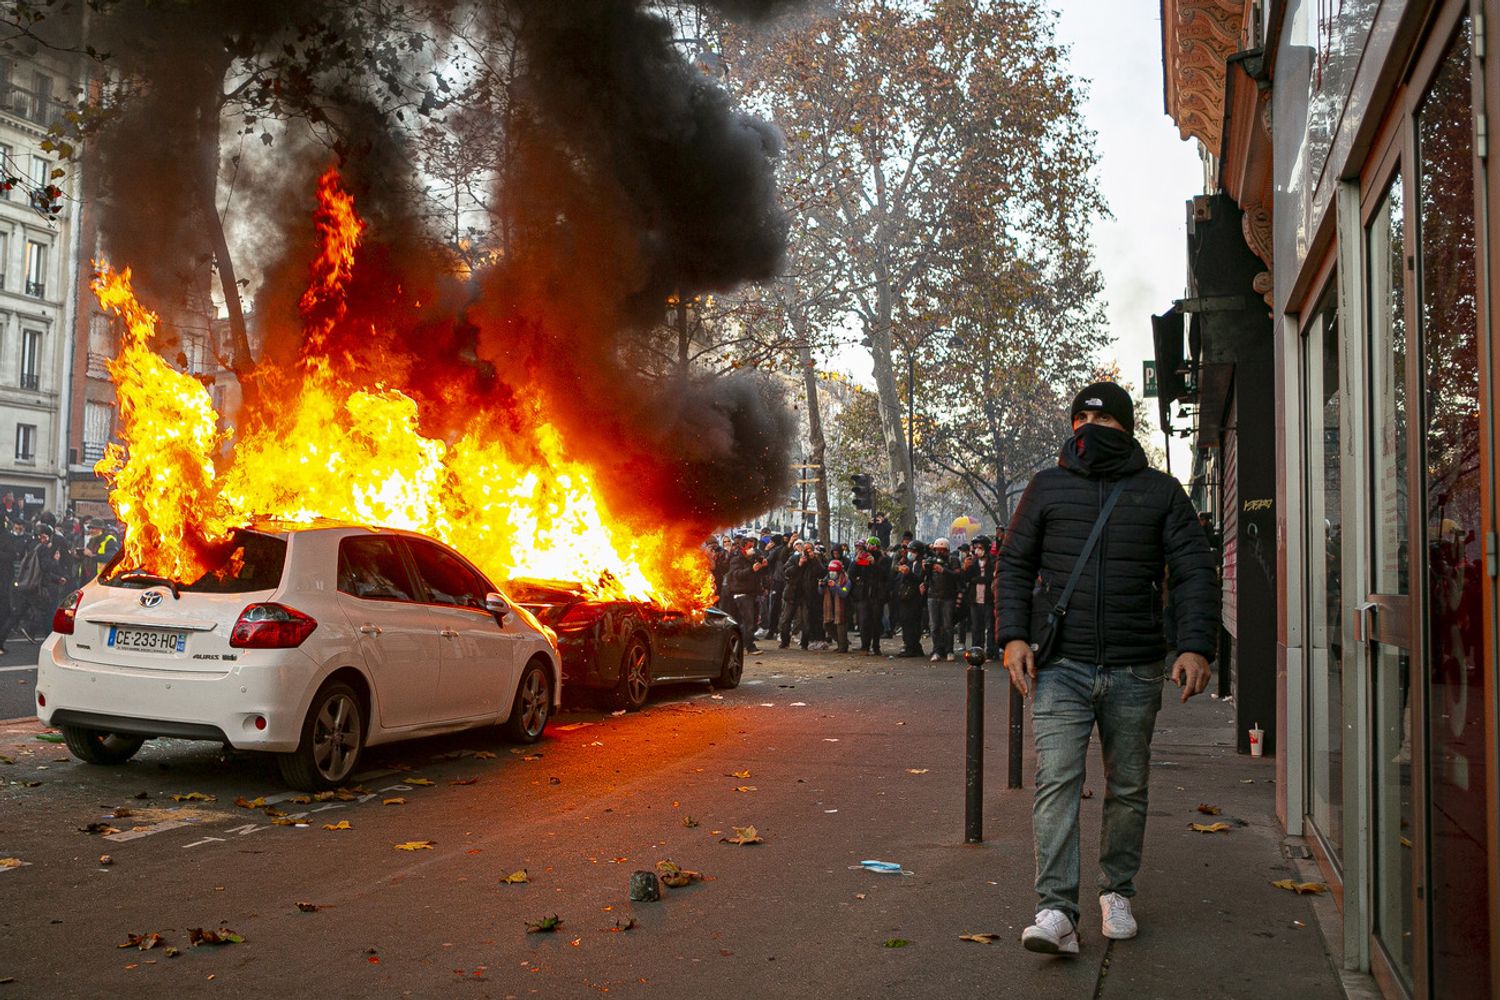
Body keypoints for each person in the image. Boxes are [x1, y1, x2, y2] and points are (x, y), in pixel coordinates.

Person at [996, 380, 1219, 956]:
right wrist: (1013, 635)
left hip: (1136, 666)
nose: (1090, 434)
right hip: (1061, 665)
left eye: (1104, 424)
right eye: (1080, 424)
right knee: (1057, 782)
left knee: (1127, 785)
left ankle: (1116, 890)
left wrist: (1195, 646)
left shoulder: (1162, 492)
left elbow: (1194, 571)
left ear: (1126, 428)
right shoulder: (1045, 489)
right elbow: (1015, 565)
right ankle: (1056, 911)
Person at [721, 536, 768, 654]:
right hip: (742, 594)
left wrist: (762, 567)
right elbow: (737, 575)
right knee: (748, 621)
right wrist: (751, 570)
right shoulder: (736, 560)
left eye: (753, 547)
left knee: (752, 620)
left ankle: (743, 642)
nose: (752, 549)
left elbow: (759, 575)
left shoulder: (753, 558)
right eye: (750, 547)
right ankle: (749, 646)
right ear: (743, 547)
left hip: (753, 593)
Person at [920, 537, 958, 662]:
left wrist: (944, 570)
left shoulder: (953, 560)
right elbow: (925, 577)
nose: (939, 552)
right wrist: (925, 570)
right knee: (934, 625)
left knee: (947, 625)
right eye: (937, 550)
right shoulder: (931, 560)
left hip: (948, 597)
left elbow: (958, 576)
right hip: (932, 596)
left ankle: (949, 650)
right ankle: (936, 650)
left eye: (942, 550)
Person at [963, 535, 996, 658]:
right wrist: (966, 568)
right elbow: (966, 578)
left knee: (990, 627)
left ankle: (991, 651)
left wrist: (978, 579)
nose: (977, 550)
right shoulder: (973, 562)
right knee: (976, 627)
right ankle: (976, 651)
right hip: (975, 599)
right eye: (975, 547)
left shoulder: (993, 561)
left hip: (988, 599)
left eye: (980, 547)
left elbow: (992, 578)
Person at [892, 540, 925, 657]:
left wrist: (908, 573)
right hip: (904, 598)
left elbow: (920, 579)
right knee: (905, 623)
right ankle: (910, 646)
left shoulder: (922, 564)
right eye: (909, 551)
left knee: (912, 624)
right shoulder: (908, 563)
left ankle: (912, 647)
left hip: (914, 599)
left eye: (913, 551)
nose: (910, 553)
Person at [819, 559, 851, 653]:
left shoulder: (846, 580)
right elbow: (820, 592)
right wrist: (821, 585)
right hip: (830, 607)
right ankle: (841, 642)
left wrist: (835, 586)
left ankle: (843, 646)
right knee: (827, 625)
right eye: (830, 571)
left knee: (841, 628)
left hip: (842, 608)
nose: (832, 573)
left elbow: (844, 593)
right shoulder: (827, 577)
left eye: (834, 572)